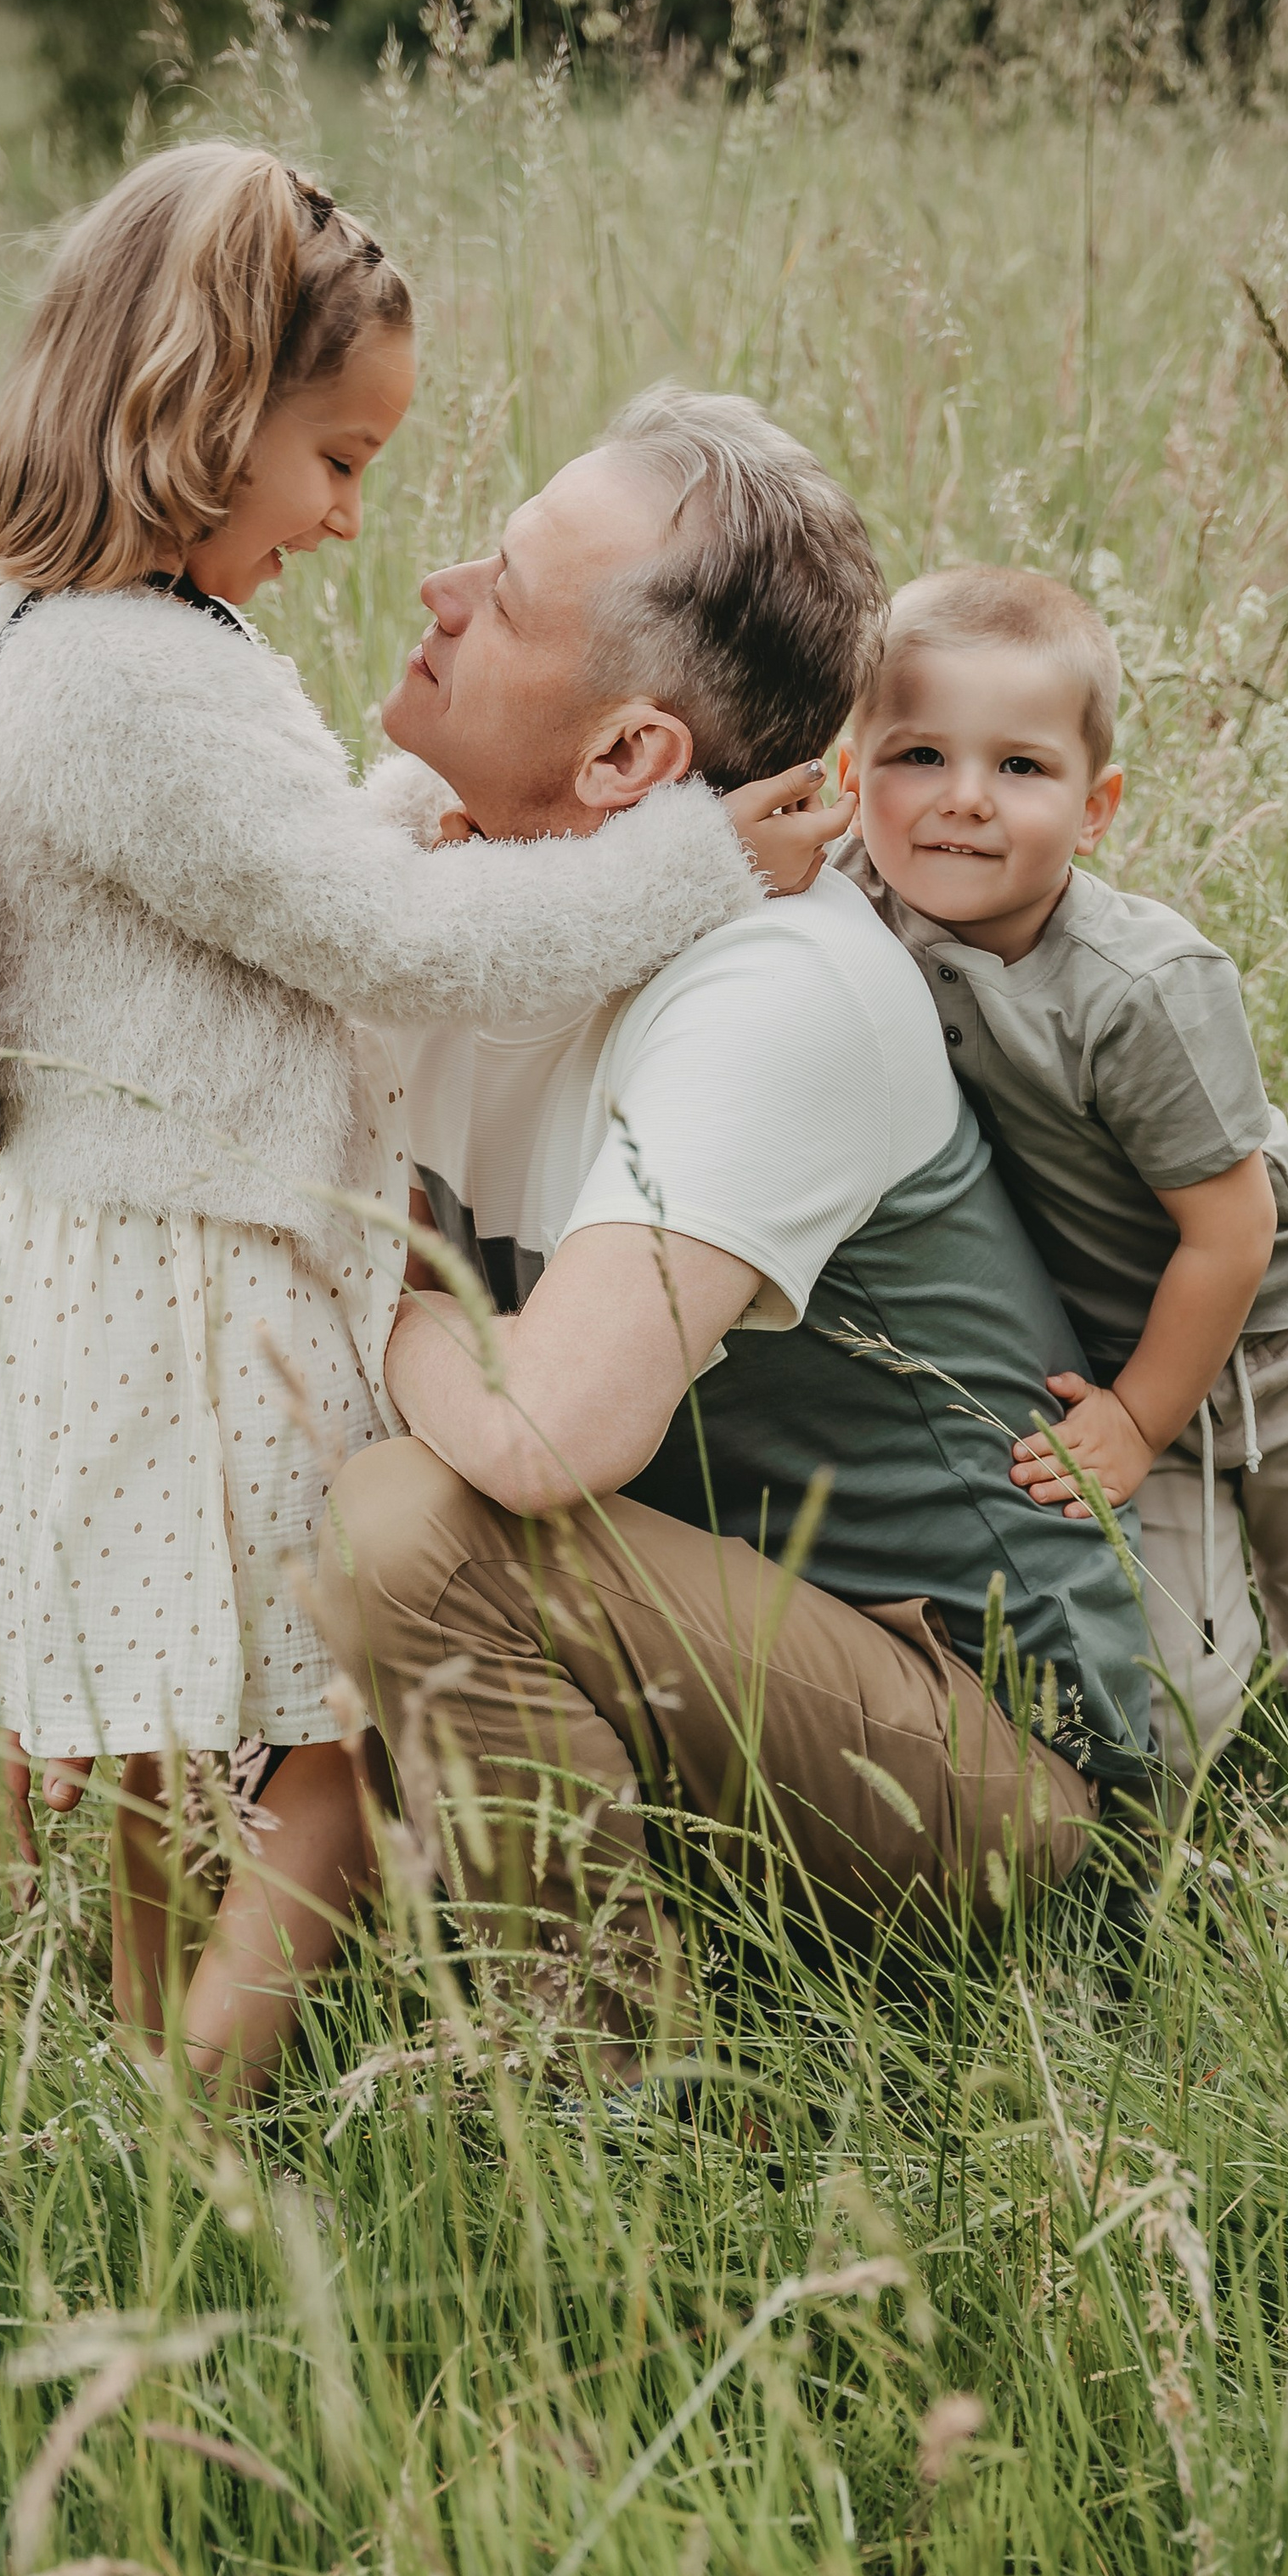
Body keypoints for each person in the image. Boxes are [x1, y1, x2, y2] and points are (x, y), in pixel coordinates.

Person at [0, 144, 841, 2095]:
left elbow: (255, 912)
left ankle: (107, 2065)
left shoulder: (58, 625)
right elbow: (379, 944)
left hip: (112, 1248)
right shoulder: (138, 682)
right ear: (202, 414)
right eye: (338, 461)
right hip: (201, 1286)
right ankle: (189, 2125)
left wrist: (399, 812)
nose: (357, 522)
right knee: (314, 1753)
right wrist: (687, 864)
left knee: (136, 1721)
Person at [312, 392, 1156, 2064]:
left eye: (508, 589)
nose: (435, 585)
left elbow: (542, 1440)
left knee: (408, 1525)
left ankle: (606, 2120)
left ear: (628, 756)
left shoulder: (776, 988)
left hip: (982, 1763)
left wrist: (359, 1234)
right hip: (703, 1667)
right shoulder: (442, 873)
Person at [834, 561, 1288, 1838]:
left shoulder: (1140, 987)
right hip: (1115, 1355)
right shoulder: (852, 909)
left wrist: (1138, 1422)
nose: (960, 802)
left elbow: (1234, 1232)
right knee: (1168, 1679)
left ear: (1097, 806)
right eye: (918, 754)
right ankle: (1164, 1898)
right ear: (850, 772)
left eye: (1021, 769)